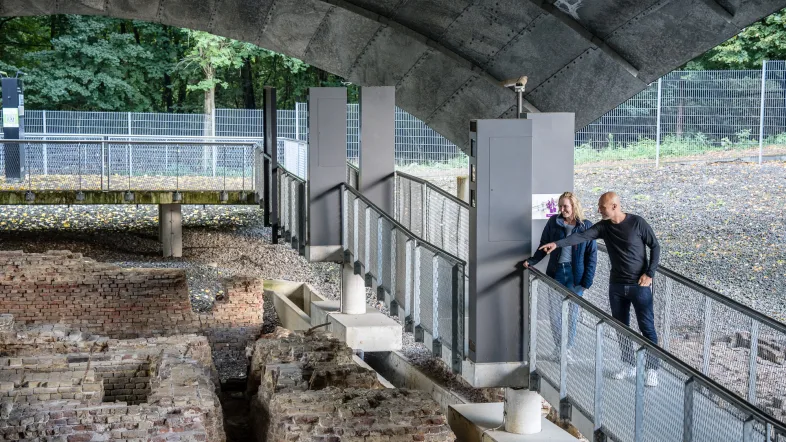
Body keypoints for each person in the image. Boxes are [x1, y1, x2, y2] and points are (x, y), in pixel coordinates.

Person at [538, 192, 661, 387]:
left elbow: (655, 246)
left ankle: (652, 370)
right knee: (621, 328)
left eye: (602, 207)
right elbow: (580, 236)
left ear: (614, 206)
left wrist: (650, 273)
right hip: (616, 286)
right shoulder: (603, 227)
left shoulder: (637, 223)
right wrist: (557, 244)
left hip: (640, 286)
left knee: (647, 328)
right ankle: (629, 364)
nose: (598, 210)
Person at [524, 192, 597, 363]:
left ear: (574, 206)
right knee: (555, 313)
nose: (562, 209)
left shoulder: (586, 226)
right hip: (556, 272)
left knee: (572, 314)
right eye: (560, 206)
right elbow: (544, 245)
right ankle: (559, 348)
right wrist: (532, 261)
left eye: (565, 206)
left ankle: (568, 349)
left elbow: (592, 256)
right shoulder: (553, 222)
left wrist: (587, 282)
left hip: (575, 276)